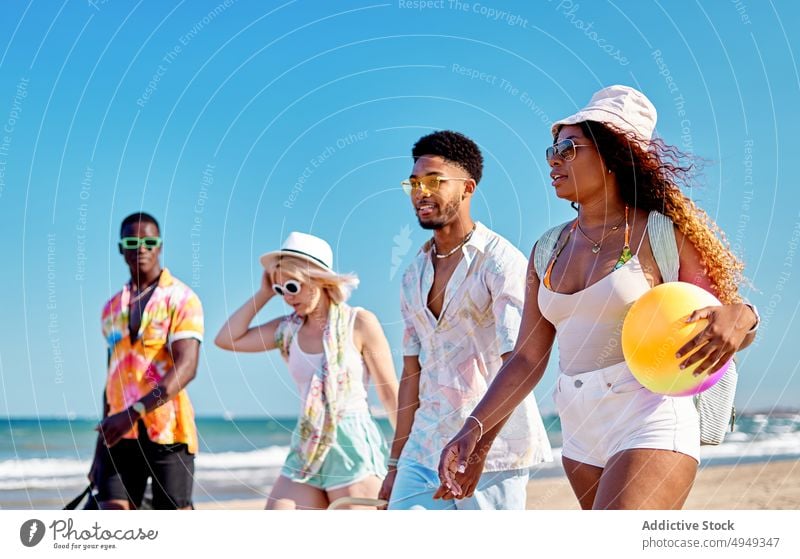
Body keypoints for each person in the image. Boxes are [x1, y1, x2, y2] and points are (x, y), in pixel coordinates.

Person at [438, 85, 760, 510]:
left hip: (650, 416)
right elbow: (527, 357)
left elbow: (726, 322)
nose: (554, 158)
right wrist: (476, 432)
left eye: (569, 148)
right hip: (578, 429)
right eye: (552, 149)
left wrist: (744, 316)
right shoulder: (547, 248)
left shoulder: (660, 234)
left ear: (613, 154)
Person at [381, 130, 552, 510]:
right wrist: (394, 464)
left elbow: (520, 360)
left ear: (468, 187)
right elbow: (412, 373)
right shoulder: (412, 276)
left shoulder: (500, 261)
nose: (420, 192)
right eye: (414, 183)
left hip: (493, 451)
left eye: (434, 181)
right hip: (423, 448)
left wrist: (479, 450)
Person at [215, 232, 399, 510]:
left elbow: (390, 395)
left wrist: (404, 460)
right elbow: (227, 338)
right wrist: (263, 294)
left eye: (292, 286)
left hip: (353, 448)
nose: (287, 298)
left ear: (318, 278)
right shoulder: (286, 331)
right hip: (307, 447)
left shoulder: (359, 322)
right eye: (280, 290)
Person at [90, 212, 204, 510]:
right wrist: (98, 453)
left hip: (168, 428)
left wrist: (135, 411)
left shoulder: (181, 298)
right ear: (121, 248)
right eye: (132, 241)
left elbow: (187, 366)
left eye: (149, 241)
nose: (141, 247)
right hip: (120, 434)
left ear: (160, 246)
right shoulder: (111, 309)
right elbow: (111, 380)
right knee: (111, 518)